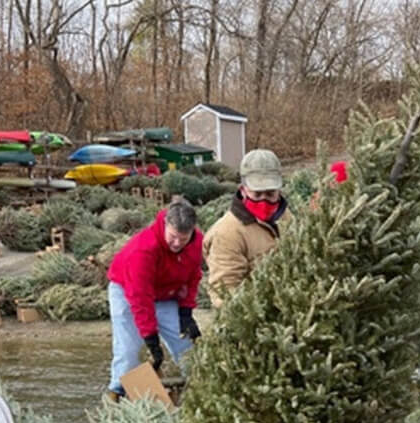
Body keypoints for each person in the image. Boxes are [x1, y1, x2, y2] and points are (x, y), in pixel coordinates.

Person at [105, 200, 203, 400]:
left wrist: (186, 312)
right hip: (127, 291)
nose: (177, 244)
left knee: (185, 343)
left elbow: (193, 277)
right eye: (173, 237)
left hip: (166, 293)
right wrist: (152, 341)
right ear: (165, 224)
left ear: (192, 232)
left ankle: (200, 385)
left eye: (183, 239)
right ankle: (116, 393)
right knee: (128, 348)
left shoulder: (196, 243)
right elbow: (140, 298)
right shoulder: (143, 250)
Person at [203, 149, 288, 307]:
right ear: (243, 190)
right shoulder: (227, 233)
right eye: (257, 194)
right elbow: (225, 293)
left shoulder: (286, 217)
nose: (264, 200)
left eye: (270, 194)